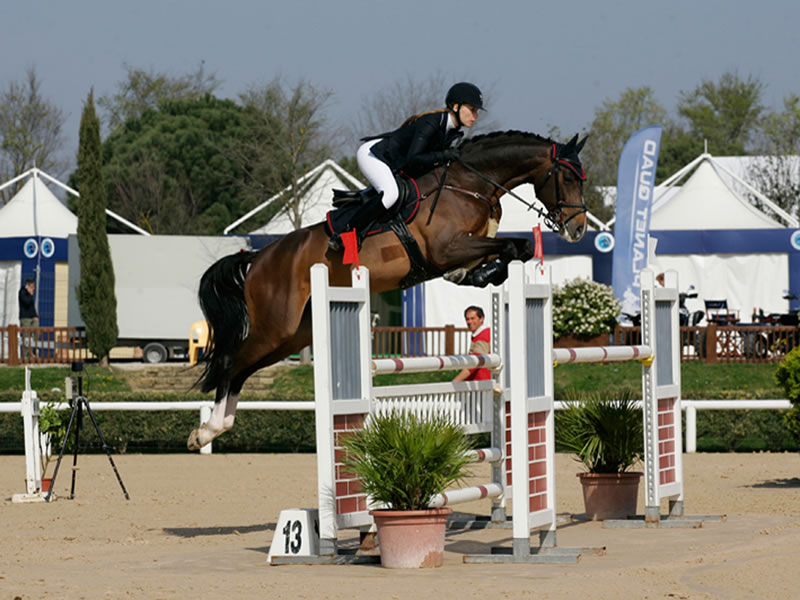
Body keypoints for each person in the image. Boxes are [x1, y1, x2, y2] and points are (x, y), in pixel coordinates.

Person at [329, 82, 484, 251]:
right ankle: (346, 233)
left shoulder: (453, 132)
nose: (475, 116)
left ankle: (364, 199)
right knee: (390, 194)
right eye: (472, 109)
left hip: (394, 161)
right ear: (455, 106)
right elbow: (413, 158)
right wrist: (444, 155)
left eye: (476, 111)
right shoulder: (432, 122)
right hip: (374, 155)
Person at [453, 305, 492, 381]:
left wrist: (455, 382)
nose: (469, 322)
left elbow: (474, 363)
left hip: (482, 385)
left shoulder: (482, 336)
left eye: (472, 318)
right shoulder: (481, 334)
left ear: (481, 319)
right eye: (467, 319)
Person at [18, 278, 38, 359]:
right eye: (32, 287)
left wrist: (36, 316)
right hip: (25, 317)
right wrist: (30, 294)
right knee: (26, 336)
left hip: (32, 317)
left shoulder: (30, 294)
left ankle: (31, 350)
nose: (33, 289)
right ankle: (27, 355)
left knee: (36, 332)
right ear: (27, 286)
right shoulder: (22, 293)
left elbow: (32, 306)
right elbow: (27, 303)